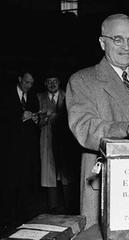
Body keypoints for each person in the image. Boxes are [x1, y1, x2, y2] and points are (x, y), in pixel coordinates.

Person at [65, 13, 129, 229]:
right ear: (102, 43)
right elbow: (84, 128)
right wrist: (126, 129)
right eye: (117, 39)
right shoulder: (82, 80)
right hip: (106, 188)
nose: (126, 46)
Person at [0, 67, 41, 227]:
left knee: (25, 182)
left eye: (31, 83)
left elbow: (35, 122)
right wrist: (19, 117)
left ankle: (22, 218)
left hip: (27, 150)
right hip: (9, 149)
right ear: (19, 79)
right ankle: (6, 219)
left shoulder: (32, 97)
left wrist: (36, 121)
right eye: (26, 82)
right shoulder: (5, 95)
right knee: (9, 183)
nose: (28, 86)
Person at [38, 72, 80, 214]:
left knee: (67, 173)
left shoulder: (68, 95)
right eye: (49, 82)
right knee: (49, 173)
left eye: (54, 81)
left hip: (65, 141)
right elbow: (35, 121)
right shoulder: (39, 97)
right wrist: (42, 119)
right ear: (45, 83)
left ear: (59, 82)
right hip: (47, 141)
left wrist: (58, 117)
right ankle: (53, 208)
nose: (52, 84)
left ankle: (70, 207)